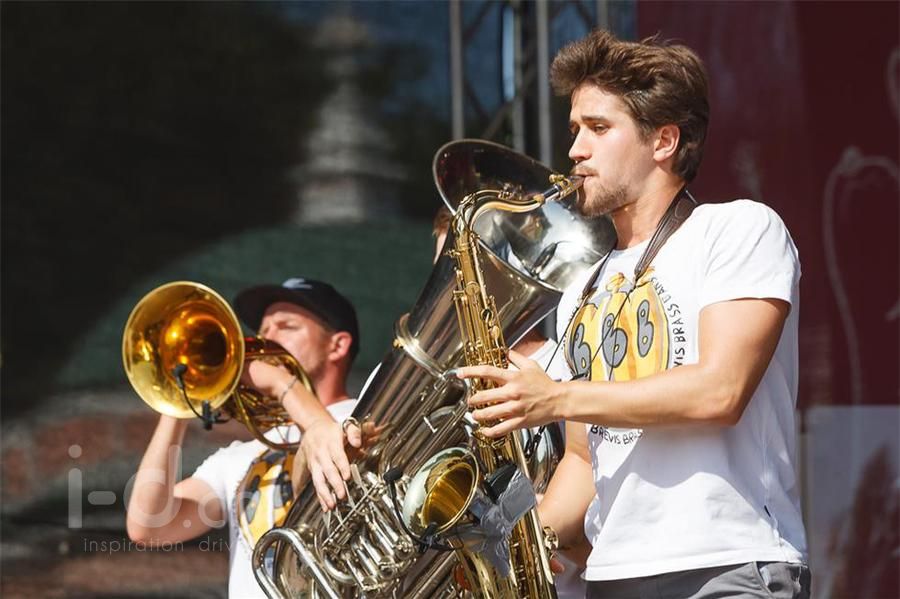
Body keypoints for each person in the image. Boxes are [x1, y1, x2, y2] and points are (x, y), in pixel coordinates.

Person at [456, 30, 811, 599]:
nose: (575, 150)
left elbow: (719, 391)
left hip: (727, 563)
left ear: (663, 140)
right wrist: (513, 548)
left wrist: (555, 397)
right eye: (575, 130)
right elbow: (582, 457)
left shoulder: (739, 228)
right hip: (612, 575)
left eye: (598, 128)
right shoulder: (581, 288)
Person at [126, 277, 361, 598]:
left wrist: (281, 384)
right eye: (263, 329)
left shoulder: (363, 414)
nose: (266, 338)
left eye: (287, 326)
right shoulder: (237, 457)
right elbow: (148, 526)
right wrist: (180, 399)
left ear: (337, 345)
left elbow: (330, 442)